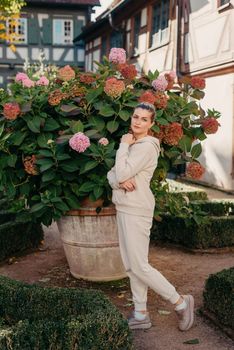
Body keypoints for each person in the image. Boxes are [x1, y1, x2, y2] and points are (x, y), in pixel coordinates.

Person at [107, 102, 194, 331]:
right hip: (124, 207)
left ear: (151, 124)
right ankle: (140, 313)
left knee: (140, 266)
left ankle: (180, 302)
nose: (138, 121)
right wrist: (117, 179)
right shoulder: (134, 144)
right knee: (131, 265)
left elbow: (123, 171)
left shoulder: (144, 146)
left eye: (144, 119)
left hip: (137, 209)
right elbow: (112, 173)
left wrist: (122, 148)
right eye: (136, 116)